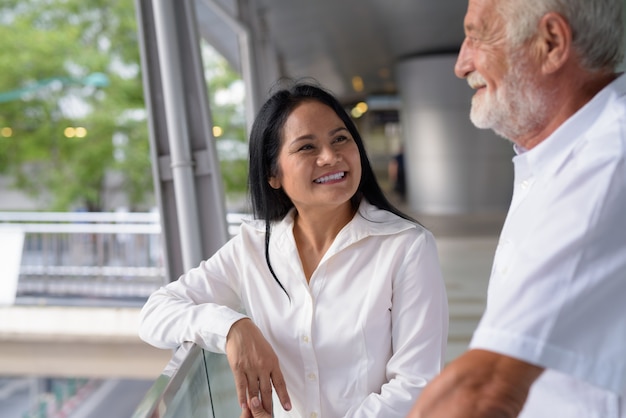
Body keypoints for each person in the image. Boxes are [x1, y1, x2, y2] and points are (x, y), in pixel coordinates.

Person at [138, 81, 449, 418]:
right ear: (273, 173)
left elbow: (416, 383)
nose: (330, 157)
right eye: (306, 148)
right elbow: (155, 314)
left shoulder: (405, 246)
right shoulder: (253, 247)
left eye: (340, 139)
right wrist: (232, 327)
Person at [407, 0, 626, 417]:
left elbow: (483, 390)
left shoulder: (608, 163)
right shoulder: (565, 155)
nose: (460, 63)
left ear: (551, 43)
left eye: (478, 35)